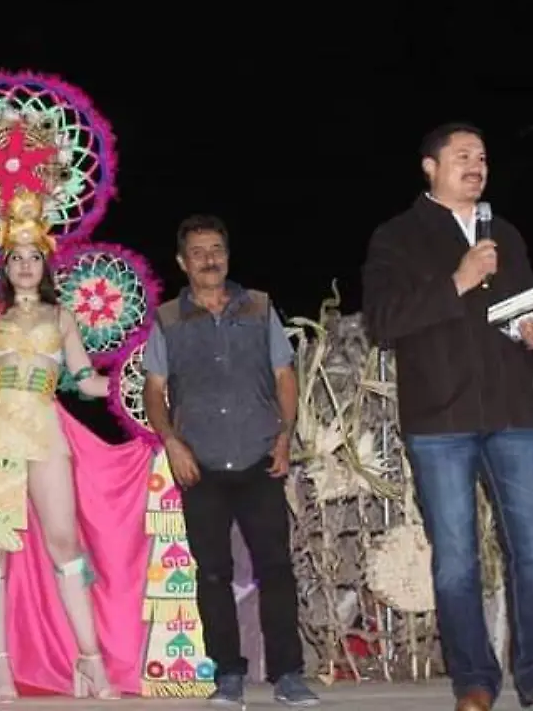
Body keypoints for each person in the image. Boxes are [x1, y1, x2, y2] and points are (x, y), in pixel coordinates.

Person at [0, 191, 154, 702]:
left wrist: (137, 384)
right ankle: (0, 668)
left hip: (45, 432)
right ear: (4, 264)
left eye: (33, 256)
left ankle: (89, 660)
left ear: (45, 263)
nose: (24, 264)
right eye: (15, 256)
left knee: (64, 541)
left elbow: (85, 381)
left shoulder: (62, 317)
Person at [362, 123, 533, 711]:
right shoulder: (397, 237)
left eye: (482, 156)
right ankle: (474, 683)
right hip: (439, 422)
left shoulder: (503, 232)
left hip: (511, 411)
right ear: (429, 166)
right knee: (456, 563)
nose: (476, 165)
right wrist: (458, 279)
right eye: (462, 156)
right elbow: (381, 320)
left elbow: (527, 317)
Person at [142, 214, 320, 708]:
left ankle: (288, 675)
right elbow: (154, 390)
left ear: (227, 254)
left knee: (276, 569)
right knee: (213, 573)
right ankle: (228, 675)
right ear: (182, 262)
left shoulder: (260, 307)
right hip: (198, 462)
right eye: (198, 252)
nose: (209, 259)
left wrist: (284, 436)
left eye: (216, 249)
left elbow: (285, 376)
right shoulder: (167, 319)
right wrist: (172, 443)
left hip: (260, 457)